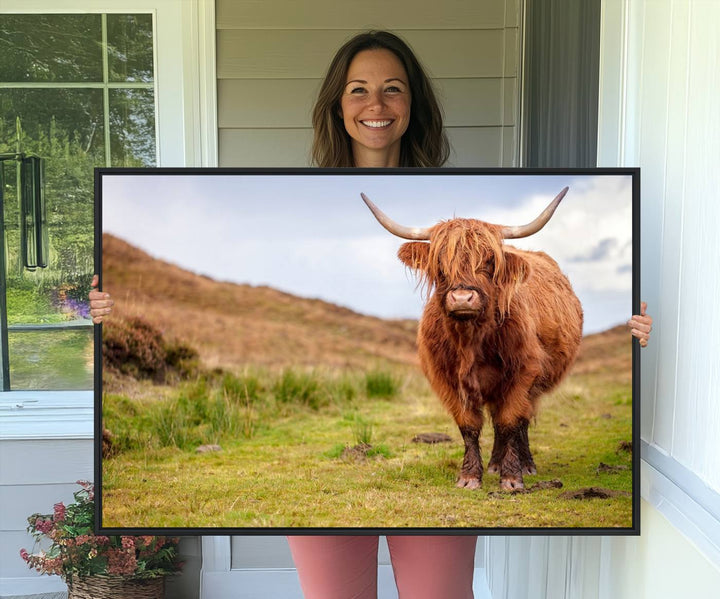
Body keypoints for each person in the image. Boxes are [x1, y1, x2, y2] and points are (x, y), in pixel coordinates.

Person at [90, 30, 652, 599]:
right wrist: (102, 307)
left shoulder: (465, 201)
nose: (376, 105)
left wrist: (637, 333)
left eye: (393, 90)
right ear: (338, 104)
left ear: (414, 104)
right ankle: (471, 454)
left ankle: (508, 451)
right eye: (358, 90)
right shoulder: (285, 185)